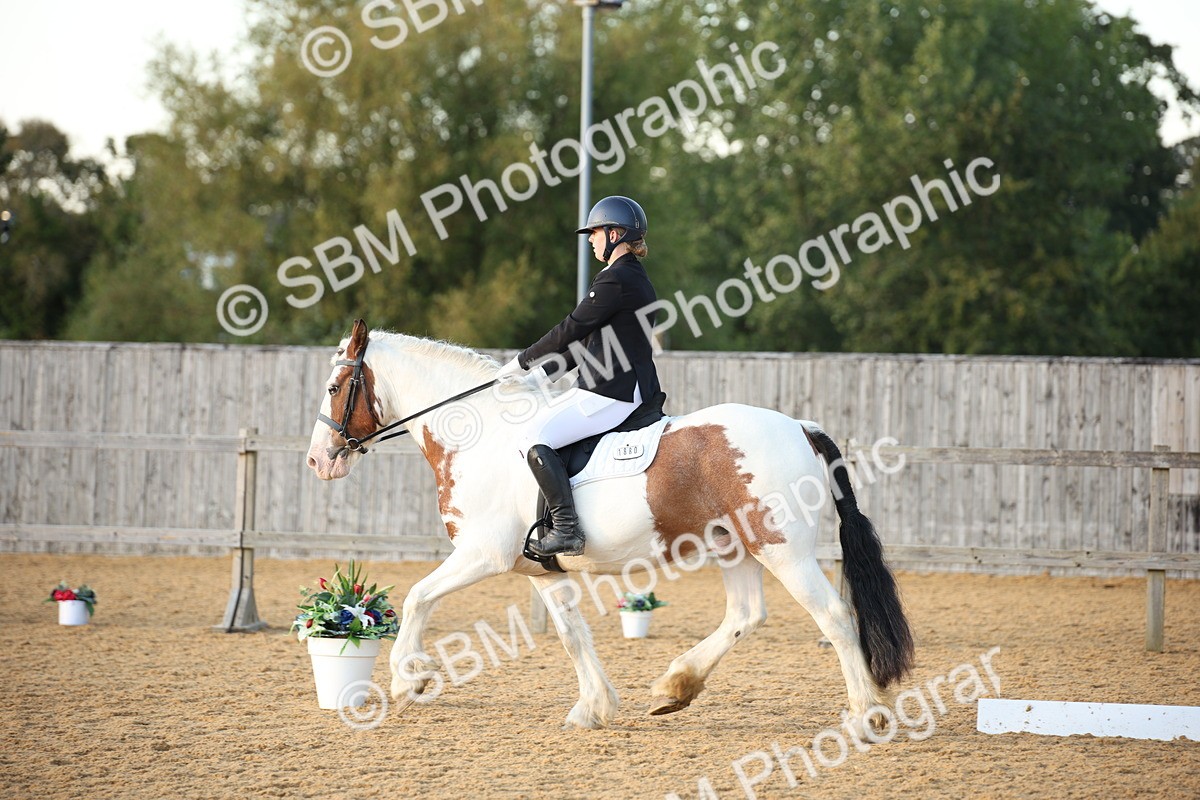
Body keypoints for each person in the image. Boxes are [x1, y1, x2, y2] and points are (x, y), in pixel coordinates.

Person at [497, 195, 662, 558]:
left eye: (595, 232)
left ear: (615, 234)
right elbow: (587, 345)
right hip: (617, 385)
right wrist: (540, 378)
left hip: (611, 391)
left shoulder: (616, 279)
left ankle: (567, 529)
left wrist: (522, 361)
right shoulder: (629, 277)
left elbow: (571, 327)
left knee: (532, 436)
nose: (590, 239)